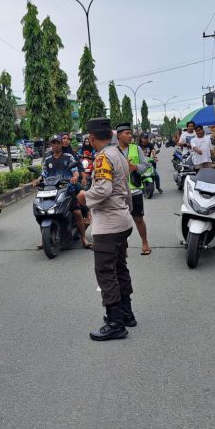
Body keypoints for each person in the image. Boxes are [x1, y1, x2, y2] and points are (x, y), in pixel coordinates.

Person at [76, 117, 136, 341]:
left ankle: (115, 323)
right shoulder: (118, 154)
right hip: (122, 221)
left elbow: (102, 189)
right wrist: (126, 210)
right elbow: (126, 189)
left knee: (106, 273)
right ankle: (126, 313)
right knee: (120, 268)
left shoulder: (102, 158)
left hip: (108, 226)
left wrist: (84, 198)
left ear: (91, 138)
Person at [37, 135, 90, 249]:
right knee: (42, 211)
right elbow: (44, 173)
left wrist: (75, 177)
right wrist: (37, 180)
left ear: (61, 144)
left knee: (77, 213)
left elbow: (75, 171)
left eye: (58, 143)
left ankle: (83, 238)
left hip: (66, 189)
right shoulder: (48, 159)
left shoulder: (68, 157)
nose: (56, 145)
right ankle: (44, 237)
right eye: (53, 143)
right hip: (50, 189)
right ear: (50, 145)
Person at [116, 122, 152, 255]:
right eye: (127, 133)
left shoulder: (136, 149)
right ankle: (123, 246)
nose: (130, 136)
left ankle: (144, 242)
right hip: (118, 192)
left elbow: (145, 166)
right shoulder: (113, 151)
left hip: (135, 190)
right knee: (120, 220)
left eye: (131, 133)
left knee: (138, 218)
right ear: (119, 136)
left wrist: (135, 167)